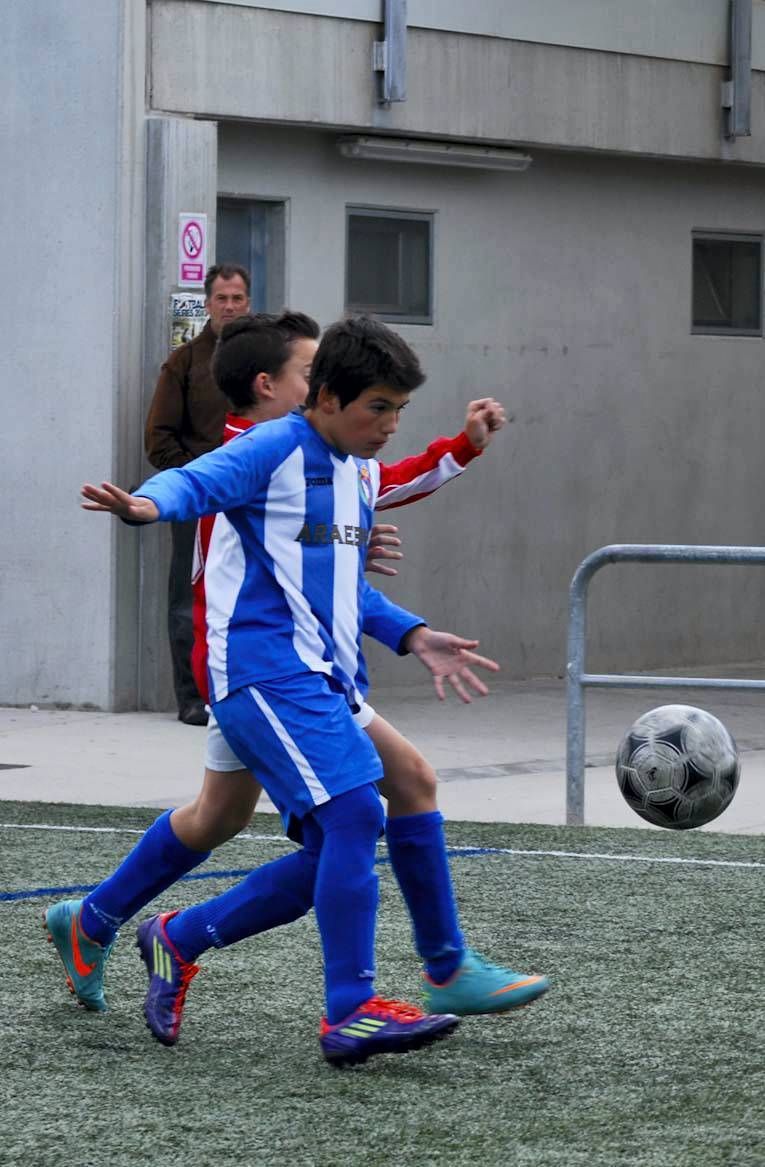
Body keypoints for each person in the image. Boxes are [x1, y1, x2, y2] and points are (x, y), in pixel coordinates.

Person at [45, 316, 549, 1052]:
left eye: (397, 409)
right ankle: (352, 1003)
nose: (389, 423)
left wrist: (411, 631)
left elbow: (338, 570)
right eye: (378, 405)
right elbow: (196, 483)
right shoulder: (264, 449)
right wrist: (148, 504)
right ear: (296, 390)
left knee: (349, 798)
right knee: (350, 816)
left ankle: (136, 929)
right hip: (263, 672)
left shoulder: (347, 467)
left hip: (312, 672)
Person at [145, 263, 251, 725]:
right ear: (207, 304)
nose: (230, 306)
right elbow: (158, 441)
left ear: (249, 302)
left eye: (238, 298)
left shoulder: (264, 360)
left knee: (255, 596)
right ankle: (192, 698)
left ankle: (245, 691)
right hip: (200, 500)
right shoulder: (185, 361)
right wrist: (199, 483)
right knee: (189, 601)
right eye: (222, 298)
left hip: (255, 501)